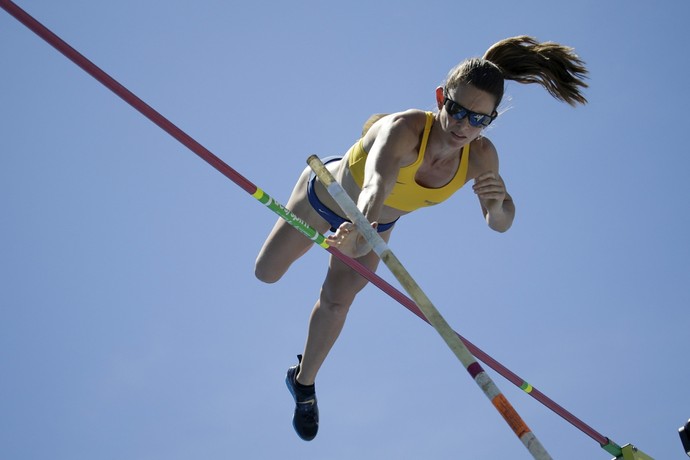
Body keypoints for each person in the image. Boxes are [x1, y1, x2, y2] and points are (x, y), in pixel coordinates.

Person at [254, 35, 588, 441]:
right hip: (326, 196)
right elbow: (374, 190)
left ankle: (303, 384)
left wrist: (499, 204)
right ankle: (328, 224)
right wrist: (356, 241)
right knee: (266, 273)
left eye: (479, 119)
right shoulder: (403, 129)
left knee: (337, 301)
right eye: (458, 110)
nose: (464, 126)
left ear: (492, 119)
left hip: (376, 227)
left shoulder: (481, 156)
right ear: (440, 97)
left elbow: (499, 223)